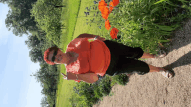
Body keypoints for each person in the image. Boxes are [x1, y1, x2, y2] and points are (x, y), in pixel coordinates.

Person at [44, 33, 174, 84]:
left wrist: (94, 37)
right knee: (138, 67)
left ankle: (154, 56)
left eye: (55, 53)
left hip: (109, 48)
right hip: (111, 67)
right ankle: (161, 70)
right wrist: (76, 77)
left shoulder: (71, 45)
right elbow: (94, 78)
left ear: (58, 49)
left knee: (133, 52)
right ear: (54, 63)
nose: (57, 56)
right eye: (54, 58)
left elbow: (81, 36)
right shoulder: (71, 72)